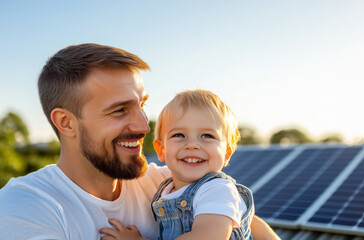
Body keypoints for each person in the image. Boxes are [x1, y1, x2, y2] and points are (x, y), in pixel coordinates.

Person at [0, 43, 280, 240]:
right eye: (120, 110)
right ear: (66, 122)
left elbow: (244, 220)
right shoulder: (26, 207)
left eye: (142, 105)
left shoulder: (169, 183)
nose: (144, 125)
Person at [101, 89, 254, 240]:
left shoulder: (217, 190)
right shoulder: (165, 190)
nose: (192, 145)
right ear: (161, 150)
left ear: (227, 153)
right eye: (179, 135)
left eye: (207, 135)